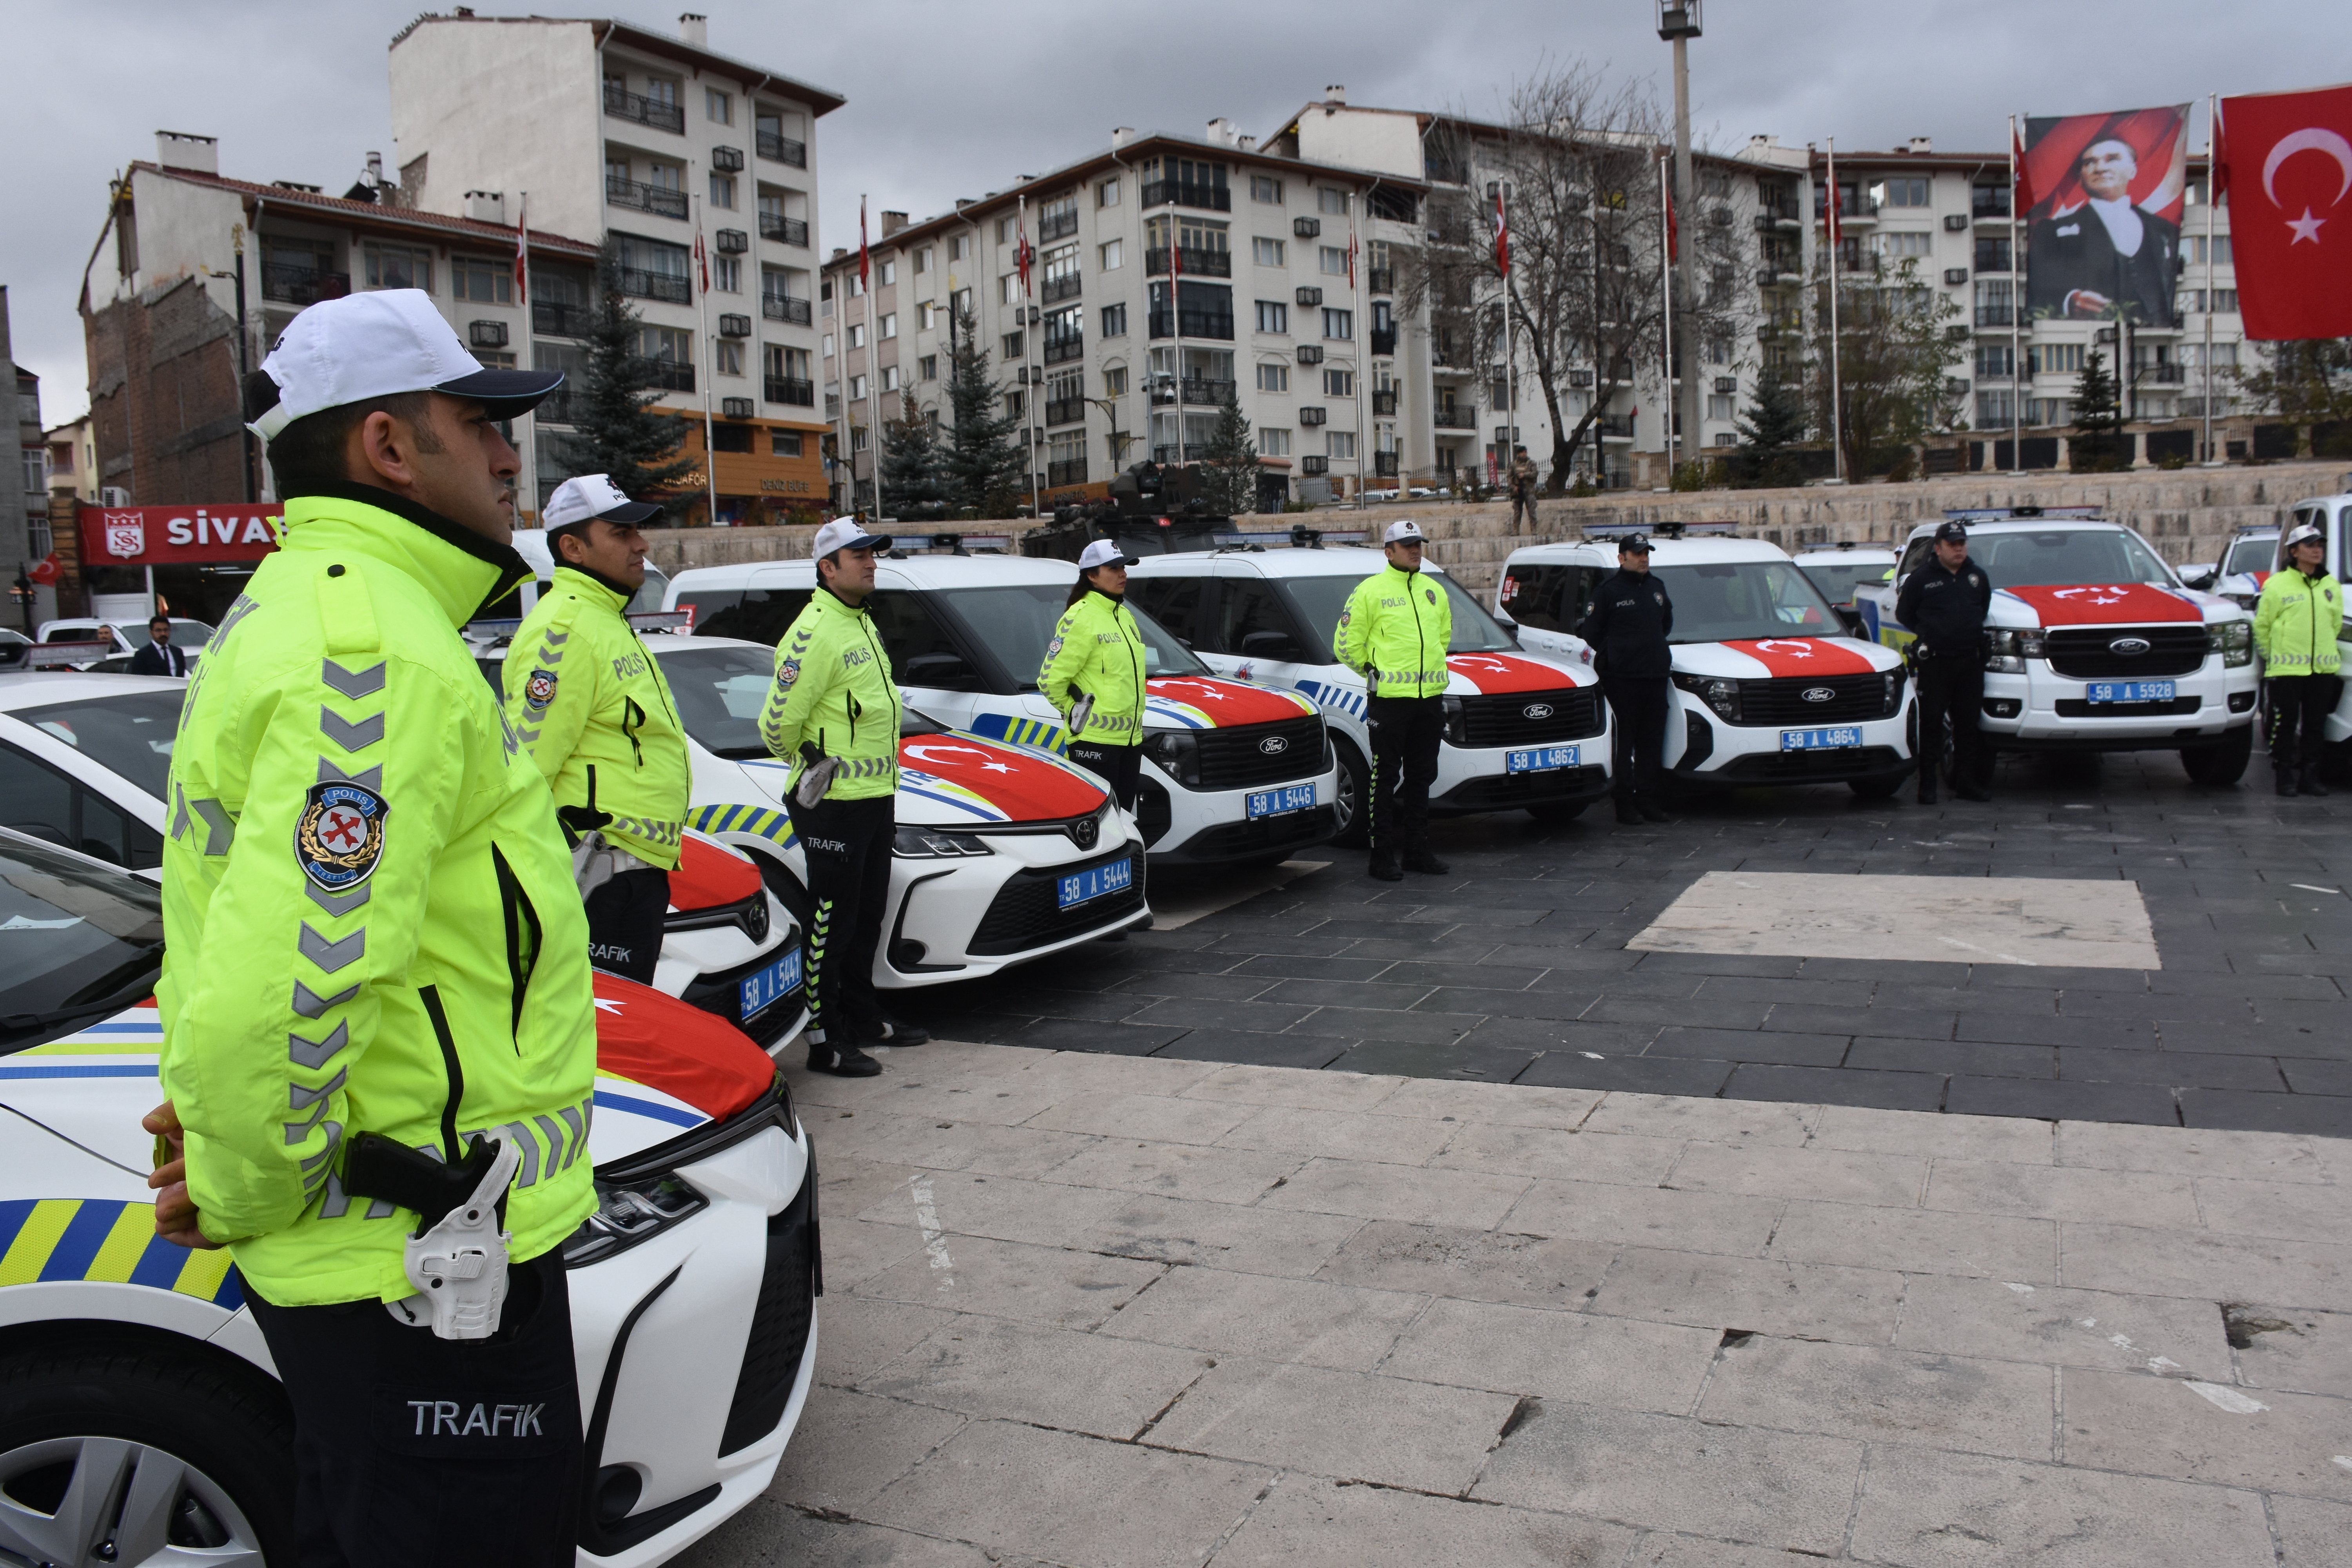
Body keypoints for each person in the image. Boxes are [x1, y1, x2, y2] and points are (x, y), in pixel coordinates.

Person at [144, 288, 594, 1567]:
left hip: (397, 1253)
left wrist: (237, 1172)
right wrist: (242, 1189)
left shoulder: (314, 612)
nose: (509, 457)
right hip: (420, 1267)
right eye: (481, 423)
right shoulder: (374, 652)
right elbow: (289, 989)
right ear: (389, 445)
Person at [502, 474, 688, 982]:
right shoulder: (564, 630)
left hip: (628, 871)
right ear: (573, 548)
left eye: (637, 532)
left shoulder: (603, 619)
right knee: (603, 1020)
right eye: (622, 533)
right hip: (597, 875)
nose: (640, 545)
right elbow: (525, 770)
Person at [761, 517, 929, 1074]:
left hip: (875, 795)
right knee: (829, 924)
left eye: (873, 554)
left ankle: (862, 1017)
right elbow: (775, 725)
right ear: (828, 568)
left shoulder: (860, 622)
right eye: (859, 555)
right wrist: (815, 765)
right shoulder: (814, 631)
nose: (871, 562)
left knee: (867, 916)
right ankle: (825, 1038)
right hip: (833, 806)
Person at [1337, 520, 1452, 881]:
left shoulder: (1434, 591)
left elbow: (1443, 638)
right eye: (1407, 545)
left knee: (1422, 776)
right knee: (1385, 777)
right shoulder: (1370, 591)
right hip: (1389, 702)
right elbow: (1345, 645)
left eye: (1418, 544)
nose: (1416, 550)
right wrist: (1373, 673)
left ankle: (1417, 851)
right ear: (1389, 552)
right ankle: (1381, 855)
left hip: (1429, 699)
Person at [2026, 136, 2183, 326]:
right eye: (2089, 163)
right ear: (2081, 178)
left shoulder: (2163, 229)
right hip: (2090, 334)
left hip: (2154, 335)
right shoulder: (2052, 231)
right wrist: (2070, 299)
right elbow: (2038, 285)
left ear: (2133, 171)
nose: (2100, 168)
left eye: (2112, 159)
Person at [1042, 537, 1149, 813]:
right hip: (1095, 741)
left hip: (1131, 740)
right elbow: (1050, 680)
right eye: (1113, 569)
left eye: (1123, 568)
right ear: (1092, 576)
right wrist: (1078, 714)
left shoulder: (1124, 615)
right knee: (1101, 823)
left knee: (1123, 820)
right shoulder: (1081, 616)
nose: (1122, 574)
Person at [1577, 534, 1675, 826]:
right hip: (1623, 680)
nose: (1644, 559)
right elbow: (1592, 633)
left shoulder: (1657, 587)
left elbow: (1665, 624)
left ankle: (1648, 800)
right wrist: (1617, 654)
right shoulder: (1609, 591)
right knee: (1624, 745)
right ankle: (1625, 803)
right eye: (1638, 554)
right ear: (1622, 558)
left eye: (1646, 553)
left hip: (1655, 677)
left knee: (1651, 743)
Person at [1895, 520, 1995, 804]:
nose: (1958, 549)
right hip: (1937, 663)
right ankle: (1928, 786)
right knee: (1931, 724)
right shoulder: (1922, 579)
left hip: (1969, 661)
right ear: (1938, 549)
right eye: (1952, 545)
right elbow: (1905, 613)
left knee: (1967, 725)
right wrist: (1928, 632)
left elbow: (1982, 608)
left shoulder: (1977, 576)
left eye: (1962, 544)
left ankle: (1966, 783)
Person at [2254, 521, 2343, 797]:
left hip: (2322, 669)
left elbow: (2335, 624)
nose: (2317, 550)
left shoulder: (2331, 585)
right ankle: (2284, 773)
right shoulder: (2278, 585)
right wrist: (2272, 656)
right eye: (2310, 545)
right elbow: (2262, 625)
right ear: (2294, 551)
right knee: (2285, 723)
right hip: (2287, 670)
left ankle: (2310, 775)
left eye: (2320, 546)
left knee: (2316, 725)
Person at [129, 612, 190, 676]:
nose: (163, 634)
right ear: (151, 633)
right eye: (158, 630)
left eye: (166, 630)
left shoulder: (177, 652)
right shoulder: (142, 655)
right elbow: (138, 677)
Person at [1508, 446, 1539, 532]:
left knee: (1532, 511)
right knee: (1517, 512)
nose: (1524, 454)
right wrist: (1513, 487)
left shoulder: (1531, 463)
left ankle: (1534, 529)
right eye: (1522, 452)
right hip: (1518, 491)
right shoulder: (1514, 465)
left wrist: (1524, 475)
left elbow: (1535, 473)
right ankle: (1516, 530)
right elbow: (1509, 478)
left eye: (1525, 452)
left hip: (1529, 490)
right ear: (1518, 454)